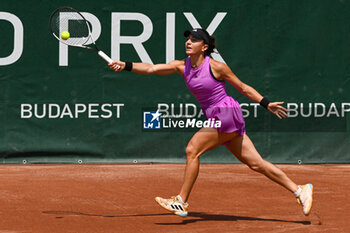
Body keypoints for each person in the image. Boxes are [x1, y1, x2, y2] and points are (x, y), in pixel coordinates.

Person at [109, 28, 313, 217]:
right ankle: (299, 190)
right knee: (256, 163)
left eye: (195, 40)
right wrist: (125, 65)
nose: (189, 42)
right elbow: (151, 69)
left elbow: (243, 87)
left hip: (225, 112)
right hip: (219, 116)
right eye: (188, 39)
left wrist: (265, 103)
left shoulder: (217, 67)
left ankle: (181, 201)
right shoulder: (181, 66)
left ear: (204, 47)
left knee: (192, 149)